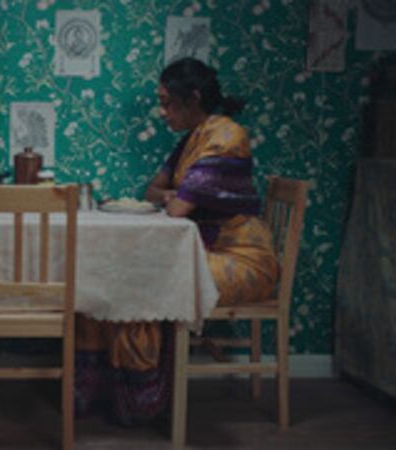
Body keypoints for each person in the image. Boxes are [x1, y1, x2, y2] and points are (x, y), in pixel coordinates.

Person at [74, 57, 279, 426]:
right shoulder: (192, 139)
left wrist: (177, 198)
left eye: (168, 102)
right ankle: (108, 388)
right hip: (203, 250)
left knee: (142, 281)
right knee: (108, 275)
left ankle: (142, 398)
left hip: (242, 258)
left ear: (193, 97)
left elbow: (177, 208)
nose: (162, 111)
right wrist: (176, 197)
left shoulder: (227, 136)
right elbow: (154, 191)